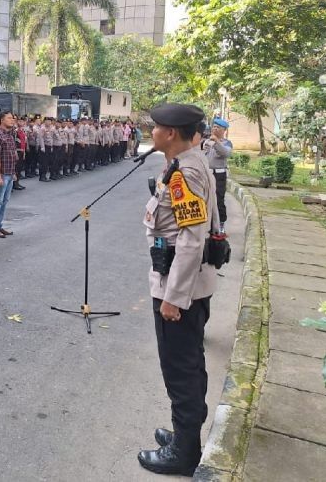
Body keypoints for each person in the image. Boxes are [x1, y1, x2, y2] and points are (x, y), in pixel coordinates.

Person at [138, 103, 217, 476]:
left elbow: (190, 240)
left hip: (178, 287)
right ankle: (185, 436)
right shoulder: (185, 163)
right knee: (188, 364)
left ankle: (184, 454)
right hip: (186, 283)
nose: (151, 131)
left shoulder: (186, 171)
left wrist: (174, 298)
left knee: (180, 368)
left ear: (170, 133)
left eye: (155, 127)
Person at [0, 111, 18, 238]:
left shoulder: (10, 134)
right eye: (9, 118)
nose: (12, 120)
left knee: (4, 201)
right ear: (1, 120)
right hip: (2, 174)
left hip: (10, 172)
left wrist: (14, 173)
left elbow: (11, 155)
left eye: (13, 118)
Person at [204, 117, 232, 233]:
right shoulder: (207, 141)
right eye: (214, 126)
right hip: (207, 174)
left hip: (219, 175)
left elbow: (225, 153)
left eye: (218, 127)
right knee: (206, 199)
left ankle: (221, 224)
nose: (215, 129)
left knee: (219, 200)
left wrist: (216, 141)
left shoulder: (227, 143)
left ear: (224, 130)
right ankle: (209, 224)